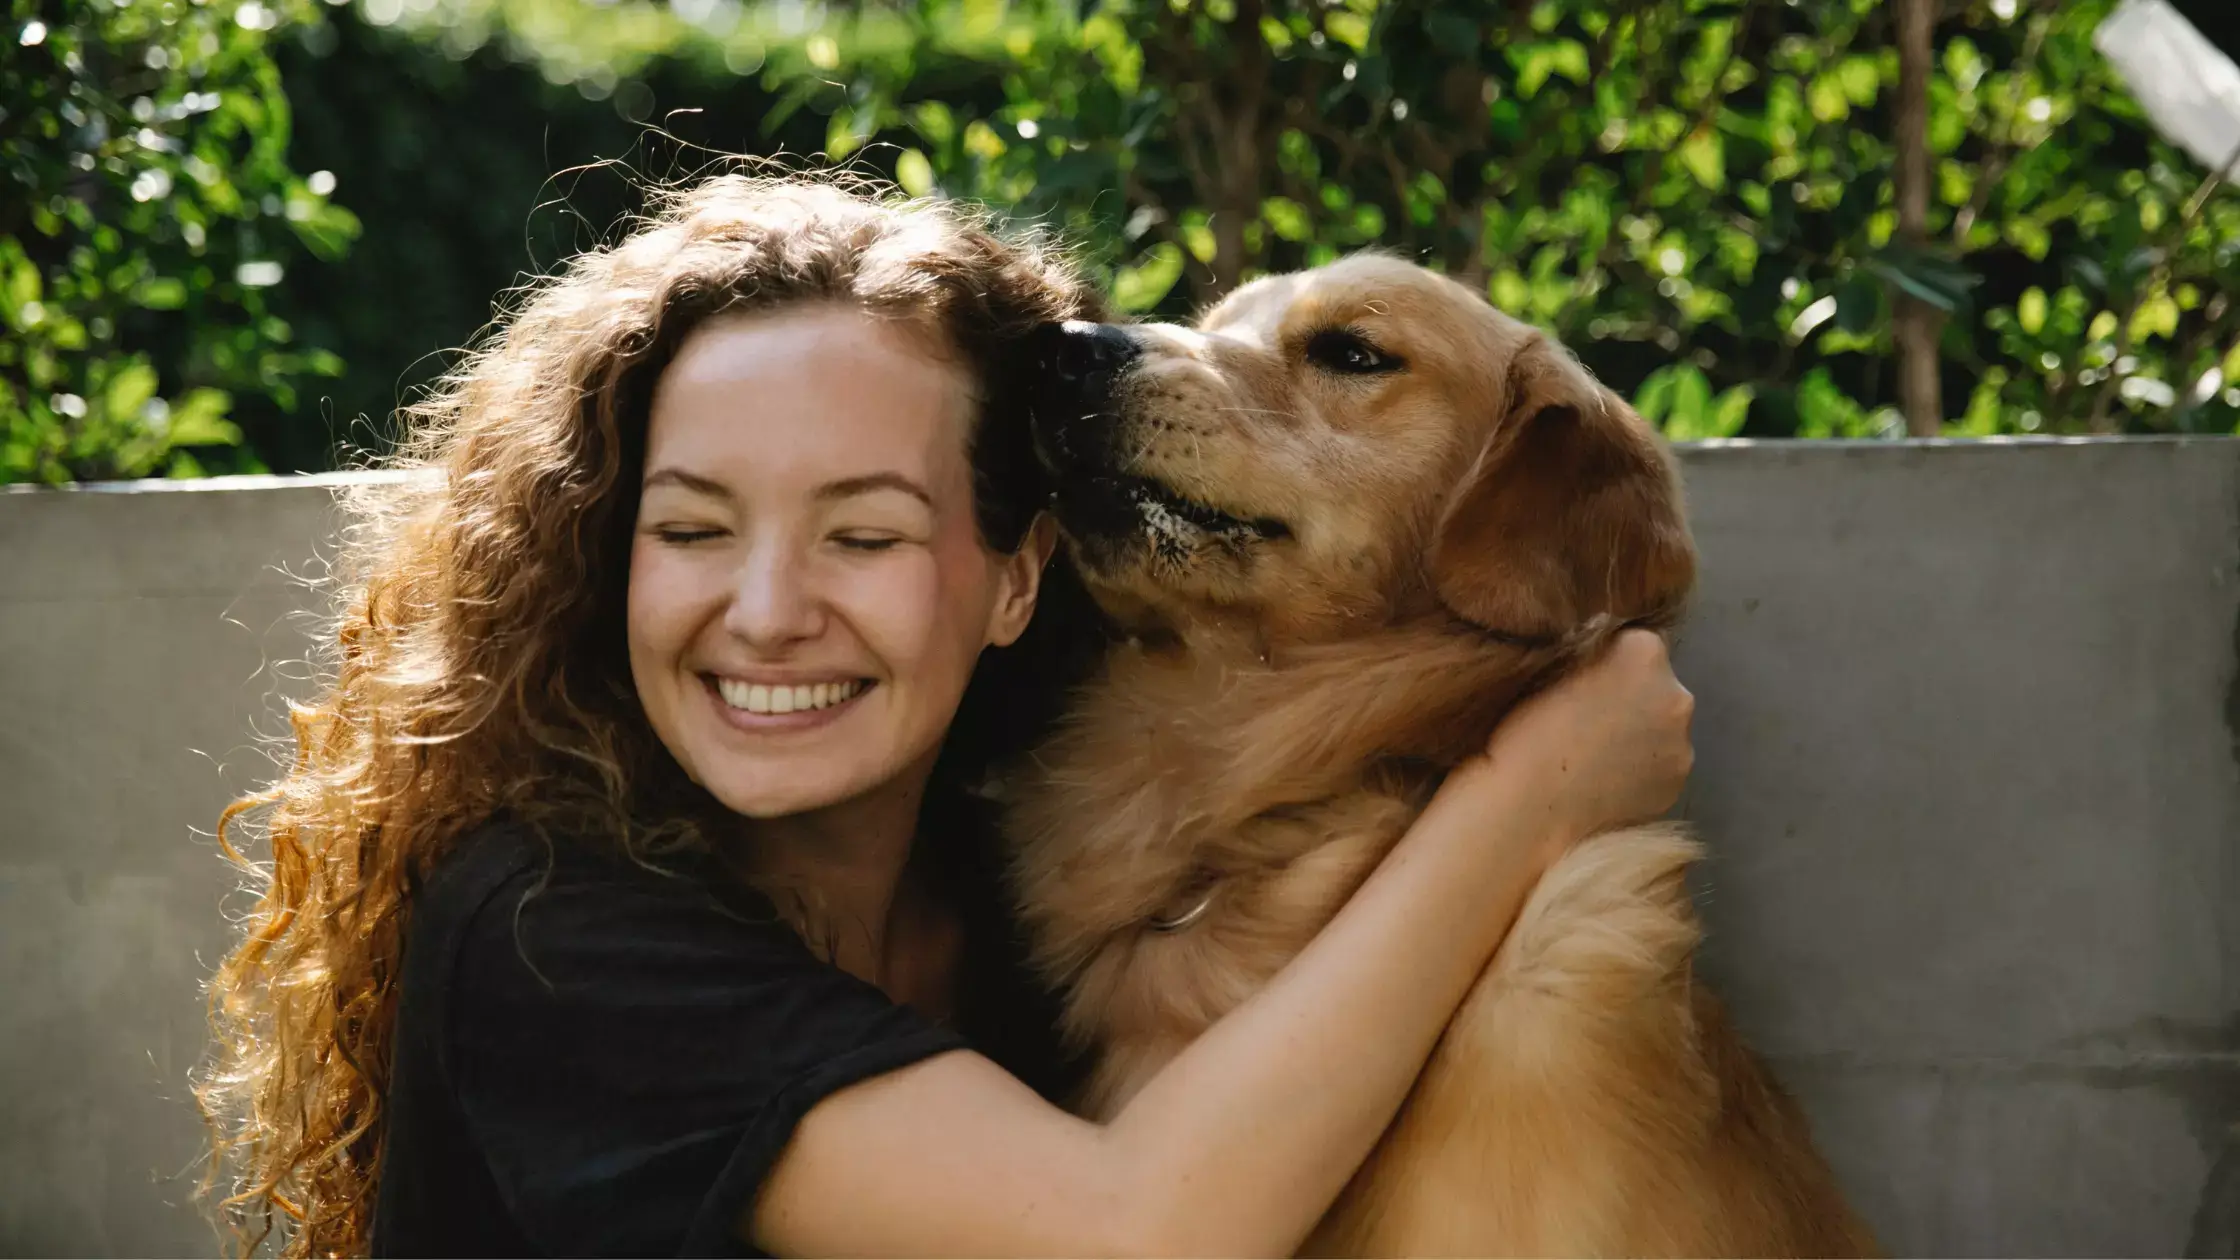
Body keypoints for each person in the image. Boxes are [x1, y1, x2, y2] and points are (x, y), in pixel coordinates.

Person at [197, 172, 1696, 1259]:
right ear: (608, 552)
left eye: (865, 535)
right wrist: (1530, 796)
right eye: (694, 529)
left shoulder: (1033, 892)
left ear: (1018, 580)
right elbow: (1129, 1238)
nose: (770, 610)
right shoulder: (549, 936)